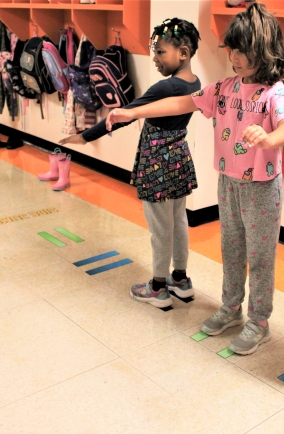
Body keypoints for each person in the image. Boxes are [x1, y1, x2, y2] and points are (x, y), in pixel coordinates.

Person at [107, 2, 284, 355]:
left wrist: (269, 139)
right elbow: (181, 104)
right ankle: (230, 307)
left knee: (259, 257)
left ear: (264, 50)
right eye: (233, 50)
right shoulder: (224, 88)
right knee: (231, 248)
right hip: (228, 183)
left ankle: (259, 320)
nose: (235, 57)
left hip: (261, 188)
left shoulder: (276, 92)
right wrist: (130, 111)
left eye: (243, 51)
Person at [58, 18, 201, 309]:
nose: (155, 57)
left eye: (161, 52)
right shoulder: (194, 82)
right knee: (178, 220)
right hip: (179, 159)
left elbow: (125, 114)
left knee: (160, 227)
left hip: (157, 164)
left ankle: (159, 287)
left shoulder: (165, 87)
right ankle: (181, 279)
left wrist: (85, 137)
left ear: (183, 53)